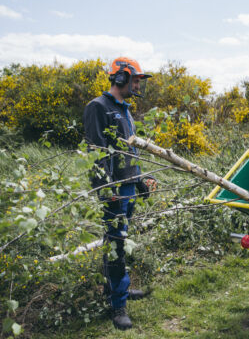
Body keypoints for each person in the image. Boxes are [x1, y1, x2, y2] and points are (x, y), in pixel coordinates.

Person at [83, 57, 156, 330]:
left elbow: (129, 153)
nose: (138, 84)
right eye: (135, 79)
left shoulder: (124, 109)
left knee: (119, 243)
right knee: (116, 244)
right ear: (121, 78)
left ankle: (116, 290)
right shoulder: (98, 107)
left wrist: (140, 181)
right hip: (113, 190)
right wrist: (107, 189)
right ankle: (118, 306)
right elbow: (96, 154)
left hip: (128, 188)